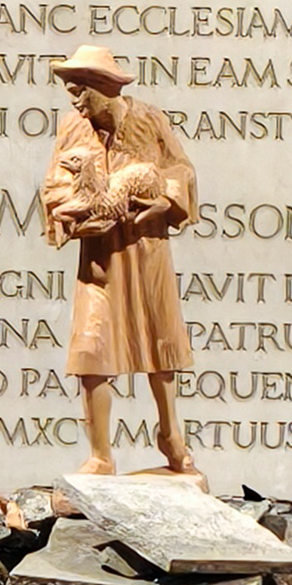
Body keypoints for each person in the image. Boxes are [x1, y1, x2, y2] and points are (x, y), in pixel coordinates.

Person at [41, 45, 197, 475]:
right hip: (101, 258)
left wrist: (165, 200)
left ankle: (172, 438)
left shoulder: (150, 119)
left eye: (80, 90)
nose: (75, 100)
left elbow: (180, 170)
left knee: (160, 342)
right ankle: (100, 455)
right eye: (71, 91)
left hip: (147, 248)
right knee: (91, 347)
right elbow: (54, 185)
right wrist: (73, 216)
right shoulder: (73, 128)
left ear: (103, 87)